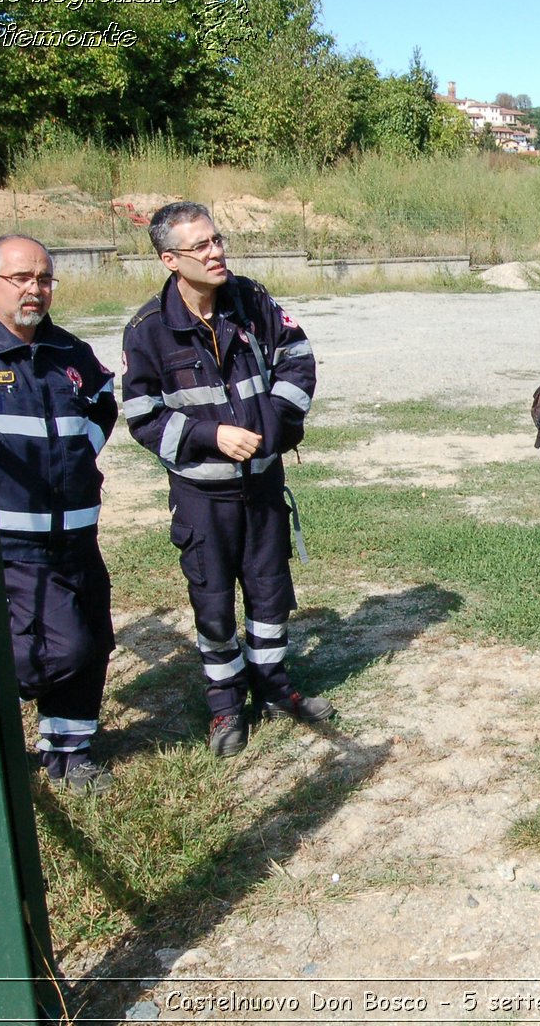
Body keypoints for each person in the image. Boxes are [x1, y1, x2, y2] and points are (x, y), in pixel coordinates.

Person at [122, 201, 331, 758]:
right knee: (213, 607)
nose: (216, 253)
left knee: (270, 597)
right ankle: (224, 707)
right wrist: (210, 437)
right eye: (201, 247)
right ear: (170, 259)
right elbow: (142, 416)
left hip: (262, 486)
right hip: (201, 497)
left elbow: (298, 359)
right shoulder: (147, 331)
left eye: (217, 240)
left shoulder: (253, 300)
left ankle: (273, 687)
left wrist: (270, 428)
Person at [0, 234, 116, 793]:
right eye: (22, 279)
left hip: (78, 532)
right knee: (61, 646)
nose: (35, 290)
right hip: (14, 542)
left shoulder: (67, 351)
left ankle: (69, 751)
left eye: (44, 279)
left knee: (93, 641)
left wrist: (80, 448)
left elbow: (104, 398)